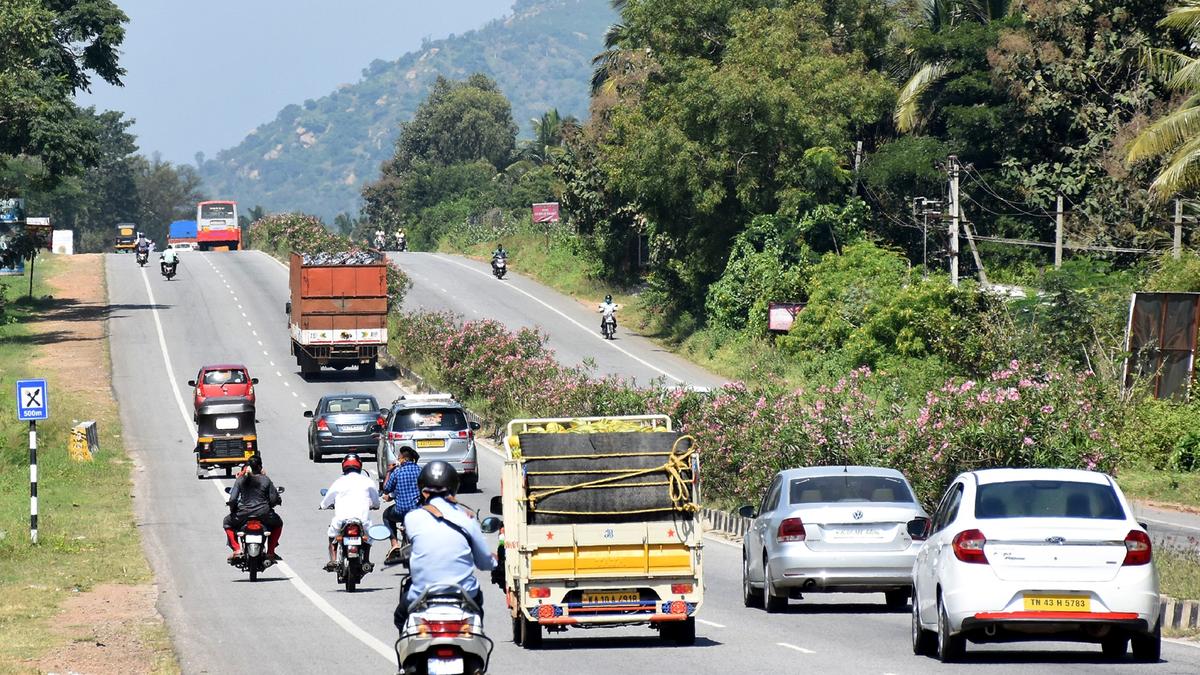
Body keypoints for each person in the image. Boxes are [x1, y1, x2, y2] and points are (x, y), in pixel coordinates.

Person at [393, 461, 496, 633]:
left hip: (422, 595)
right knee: (477, 616)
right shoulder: (467, 519)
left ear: (423, 490)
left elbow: (417, 544)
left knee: (400, 619)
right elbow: (485, 562)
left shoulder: (412, 518)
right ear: (454, 488)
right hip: (464, 595)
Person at [320, 454, 380, 572]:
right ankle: (366, 559)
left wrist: (323, 506)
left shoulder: (339, 482)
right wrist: (375, 505)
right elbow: (376, 500)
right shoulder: (367, 481)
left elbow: (326, 500)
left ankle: (333, 560)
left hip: (342, 520)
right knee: (368, 537)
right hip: (362, 520)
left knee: (332, 536)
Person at [223, 455, 283, 560]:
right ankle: (271, 552)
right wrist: (272, 505)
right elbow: (273, 499)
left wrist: (233, 509)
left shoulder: (240, 479)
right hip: (264, 513)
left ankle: (237, 549)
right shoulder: (266, 480)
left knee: (227, 522)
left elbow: (232, 499)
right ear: (260, 467)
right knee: (278, 523)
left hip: (243, 513)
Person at [381, 448, 421, 564]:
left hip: (401, 511)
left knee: (386, 516)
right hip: (418, 511)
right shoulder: (420, 470)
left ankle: (394, 544)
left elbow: (387, 488)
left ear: (403, 459)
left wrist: (389, 471)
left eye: (398, 458)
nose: (398, 460)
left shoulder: (397, 472)